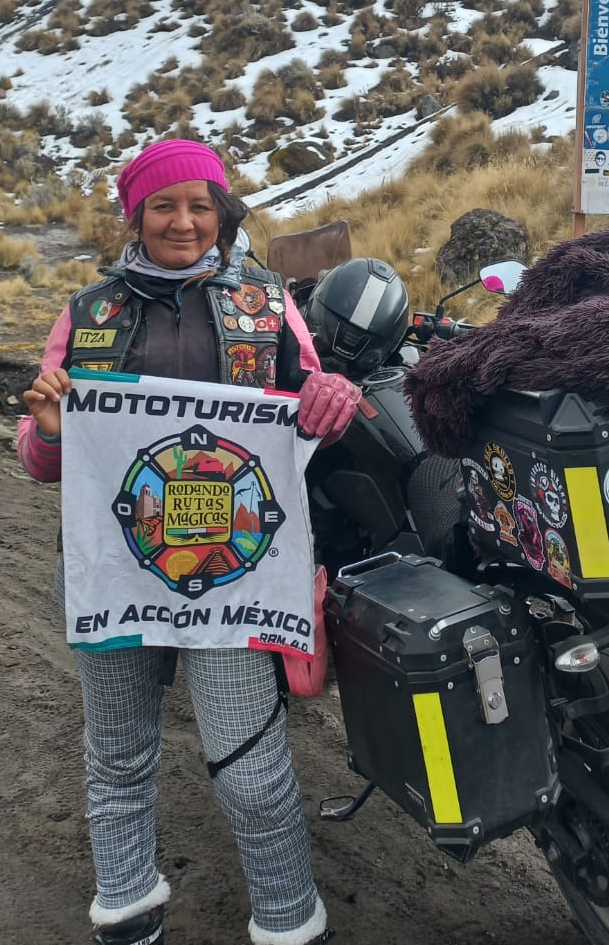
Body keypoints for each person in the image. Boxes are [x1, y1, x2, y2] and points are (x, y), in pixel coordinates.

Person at [19, 139, 359, 945]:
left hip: (232, 580)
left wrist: (334, 396)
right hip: (116, 576)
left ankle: (288, 920)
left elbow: (312, 403)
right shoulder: (88, 311)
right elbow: (38, 460)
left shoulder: (268, 305)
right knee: (119, 755)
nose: (183, 222)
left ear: (222, 212)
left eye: (199, 206)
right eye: (163, 206)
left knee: (252, 768)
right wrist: (49, 433)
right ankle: (128, 906)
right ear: (135, 216)